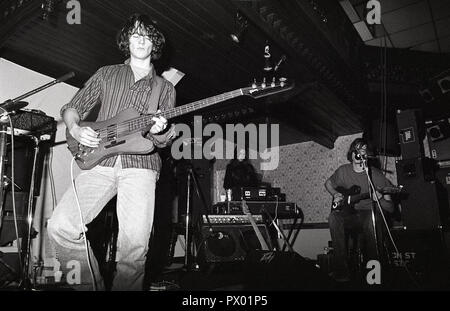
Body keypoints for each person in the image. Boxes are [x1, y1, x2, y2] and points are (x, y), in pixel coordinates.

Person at [47, 13, 176, 291]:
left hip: (141, 166)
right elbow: (73, 108)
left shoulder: (165, 88)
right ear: (126, 41)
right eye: (135, 34)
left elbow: (163, 140)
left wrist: (160, 129)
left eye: (147, 35)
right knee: (60, 226)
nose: (141, 39)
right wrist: (76, 129)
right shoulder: (107, 73)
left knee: (133, 252)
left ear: (154, 44)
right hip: (99, 163)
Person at [324, 138, 394, 282]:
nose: (360, 153)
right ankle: (341, 273)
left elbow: (391, 208)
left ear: (367, 155)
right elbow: (328, 183)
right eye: (357, 149)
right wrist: (335, 193)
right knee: (334, 218)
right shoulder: (343, 171)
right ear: (351, 154)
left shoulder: (376, 175)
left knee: (371, 221)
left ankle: (374, 275)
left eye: (364, 150)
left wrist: (379, 199)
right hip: (351, 215)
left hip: (370, 213)